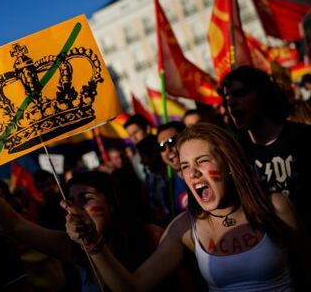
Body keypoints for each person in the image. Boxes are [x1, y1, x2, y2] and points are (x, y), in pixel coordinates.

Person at [64, 123, 309, 291]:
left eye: (202, 161)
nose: (192, 173)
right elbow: (133, 287)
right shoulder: (184, 227)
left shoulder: (274, 206)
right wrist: (92, 244)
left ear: (229, 164)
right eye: (185, 166)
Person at [0, 131, 163, 291]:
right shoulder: (73, 248)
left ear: (113, 203)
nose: (76, 209)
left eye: (86, 199)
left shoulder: (152, 237)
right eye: (71, 201)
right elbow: (14, 225)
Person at [219, 66, 311, 230]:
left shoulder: (303, 138)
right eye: (227, 97)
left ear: (263, 95)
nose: (231, 102)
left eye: (240, 93)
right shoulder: (236, 155)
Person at [156, 121, 187, 213]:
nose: (168, 149)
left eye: (172, 141)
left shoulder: (204, 172)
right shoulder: (168, 190)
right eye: (161, 147)